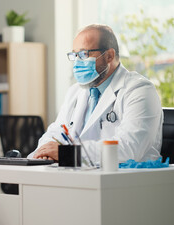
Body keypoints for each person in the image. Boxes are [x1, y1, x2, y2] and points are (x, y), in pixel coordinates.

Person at [28, 24, 163, 164]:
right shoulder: (76, 92)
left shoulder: (139, 90)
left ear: (109, 56)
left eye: (83, 54)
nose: (77, 62)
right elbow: (55, 133)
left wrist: (66, 153)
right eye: (75, 55)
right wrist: (46, 152)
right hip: (81, 174)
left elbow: (129, 148)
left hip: (127, 179)